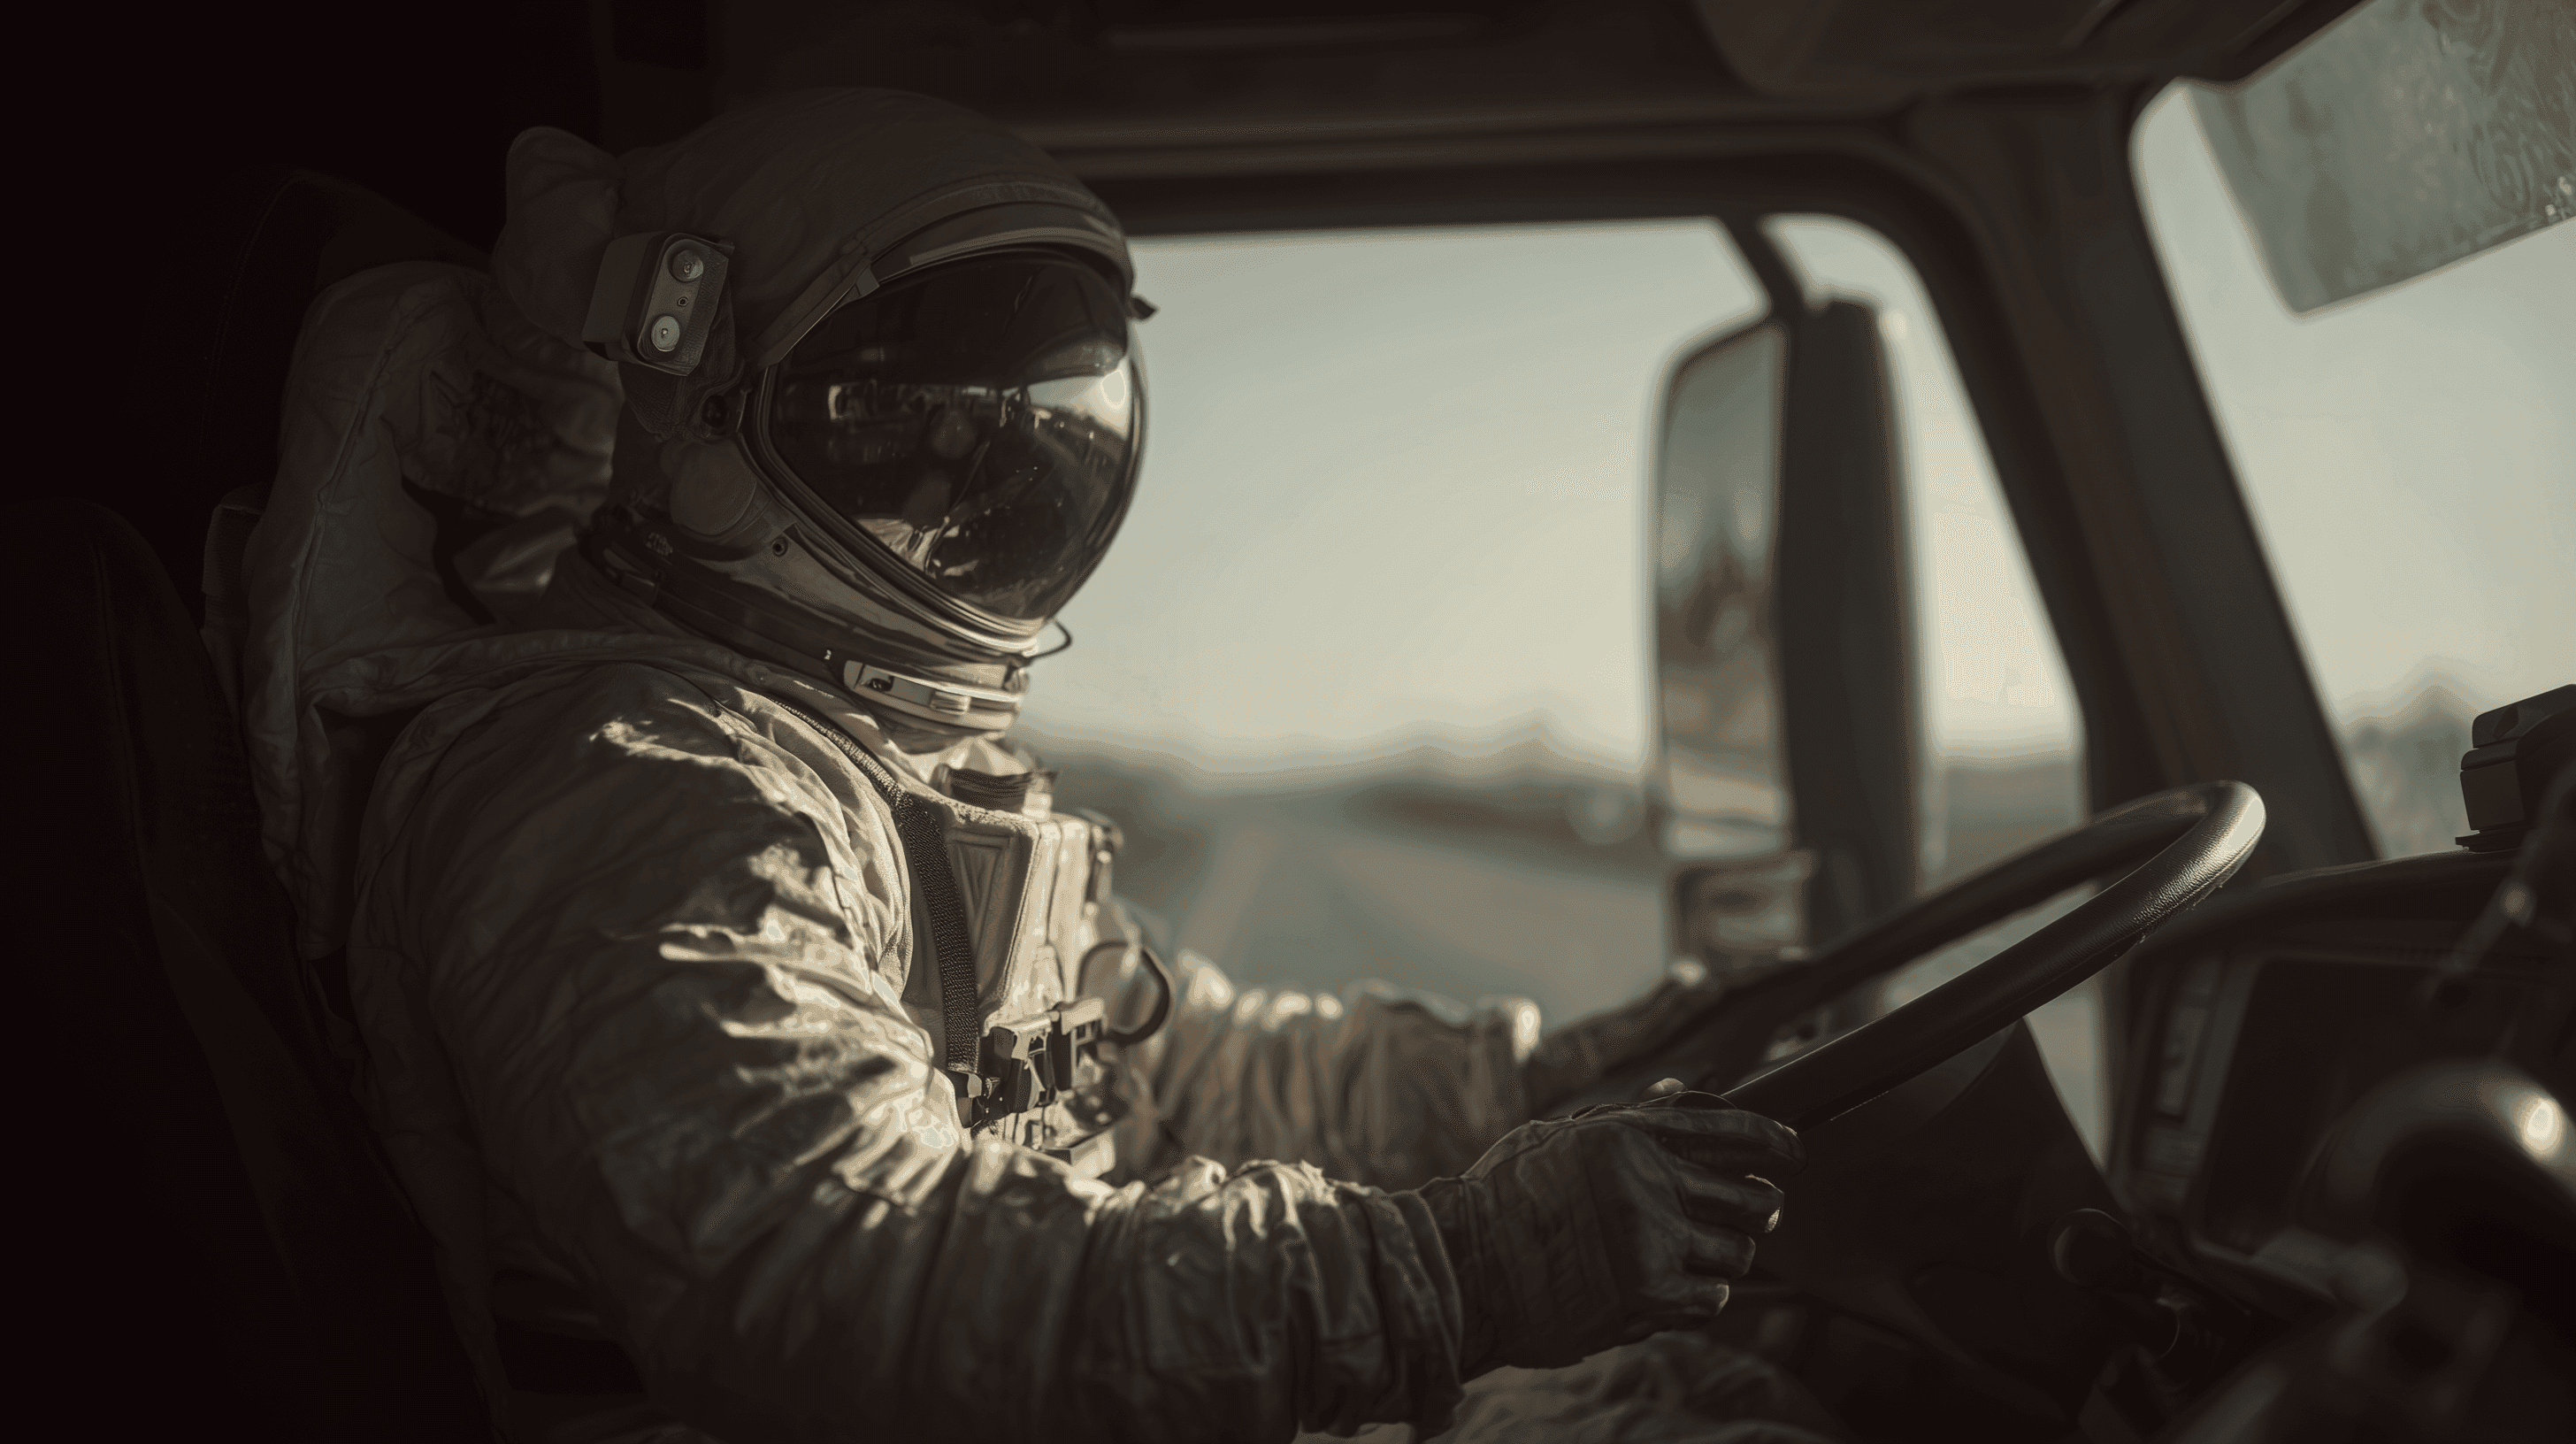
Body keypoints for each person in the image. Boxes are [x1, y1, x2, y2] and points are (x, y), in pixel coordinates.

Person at [308, 88, 1818, 1444]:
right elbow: (851, 1281)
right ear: (698, 393)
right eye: (915, 416)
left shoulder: (855, 765)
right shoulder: (632, 790)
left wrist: (1552, 1079)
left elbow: (1180, 1075)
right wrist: (1461, 1272)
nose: (982, 480)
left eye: (1036, 426)